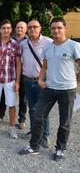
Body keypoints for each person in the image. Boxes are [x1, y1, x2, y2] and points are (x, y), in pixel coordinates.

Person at [18, 17, 80, 161]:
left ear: (65, 29)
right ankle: (34, 146)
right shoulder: (48, 47)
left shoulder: (73, 46)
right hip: (49, 88)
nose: (56, 30)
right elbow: (44, 67)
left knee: (64, 122)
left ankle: (60, 149)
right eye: (53, 28)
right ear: (50, 30)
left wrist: (77, 80)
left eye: (59, 27)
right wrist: (40, 79)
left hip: (67, 90)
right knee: (38, 116)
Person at [20, 20, 52, 147]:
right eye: (30, 27)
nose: (32, 29)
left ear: (40, 28)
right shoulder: (23, 44)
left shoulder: (48, 42)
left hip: (42, 81)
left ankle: (45, 135)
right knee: (32, 108)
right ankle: (35, 131)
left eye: (35, 27)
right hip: (27, 80)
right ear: (27, 29)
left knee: (43, 109)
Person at [0, 19, 22, 139]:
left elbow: (18, 64)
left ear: (11, 29)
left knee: (11, 105)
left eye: (8, 28)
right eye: (3, 28)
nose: (6, 30)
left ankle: (12, 128)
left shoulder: (15, 44)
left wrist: (17, 81)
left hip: (10, 79)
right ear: (0, 30)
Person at [13, 21, 28, 130]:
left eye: (22, 28)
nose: (20, 29)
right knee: (5, 95)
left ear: (26, 29)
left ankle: (22, 119)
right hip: (10, 71)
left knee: (23, 98)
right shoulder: (10, 39)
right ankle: (1, 115)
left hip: (24, 72)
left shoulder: (29, 41)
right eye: (18, 27)